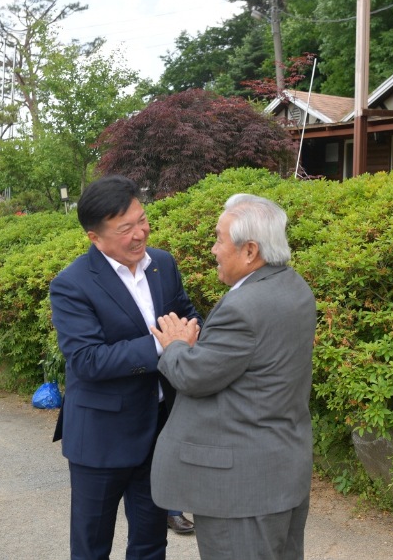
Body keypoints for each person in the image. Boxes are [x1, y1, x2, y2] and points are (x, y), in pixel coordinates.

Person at [150, 193, 317, 560]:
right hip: (282, 469)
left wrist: (176, 346)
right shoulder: (294, 287)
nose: (213, 249)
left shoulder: (244, 307)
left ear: (249, 251)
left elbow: (194, 377)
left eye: (219, 239)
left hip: (241, 489)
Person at [50, 175, 201, 560]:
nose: (140, 234)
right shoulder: (72, 284)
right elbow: (87, 359)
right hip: (100, 437)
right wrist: (161, 344)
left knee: (151, 544)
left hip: (159, 430)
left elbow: (186, 317)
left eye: (142, 220)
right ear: (94, 237)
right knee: (91, 547)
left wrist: (190, 333)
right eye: (126, 229)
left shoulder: (162, 264)